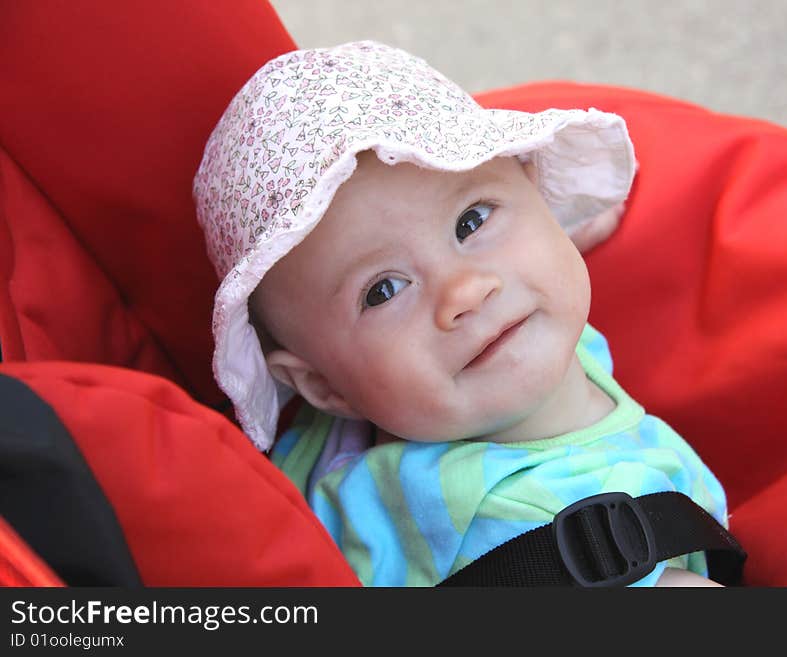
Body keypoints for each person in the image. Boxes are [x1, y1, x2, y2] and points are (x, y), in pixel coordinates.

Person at [193, 41, 729, 587]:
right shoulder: (522, 528)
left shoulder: (381, 390)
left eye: (472, 222)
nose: (465, 291)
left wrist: (562, 229)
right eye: (383, 291)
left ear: (535, 194)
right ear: (324, 386)